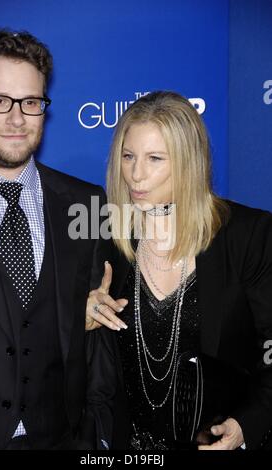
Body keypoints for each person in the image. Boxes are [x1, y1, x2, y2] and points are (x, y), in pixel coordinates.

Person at [85, 91, 272, 450]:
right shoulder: (104, 236)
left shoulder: (247, 235)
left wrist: (247, 425)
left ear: (189, 162)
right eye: (128, 156)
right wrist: (80, 316)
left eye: (155, 158)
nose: (136, 174)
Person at [0, 28, 112, 450]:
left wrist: (99, 435)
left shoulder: (87, 203)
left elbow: (96, 339)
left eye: (30, 102)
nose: (17, 119)